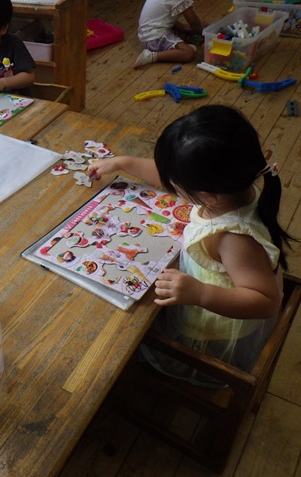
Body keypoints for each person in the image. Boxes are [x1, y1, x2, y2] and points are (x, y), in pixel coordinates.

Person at [88, 105, 293, 387]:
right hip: (210, 288)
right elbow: (174, 175)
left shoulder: (234, 239)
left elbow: (266, 302)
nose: (170, 185)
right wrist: (123, 162)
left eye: (176, 184)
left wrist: (201, 293)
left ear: (207, 196)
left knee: (131, 331)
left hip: (212, 331)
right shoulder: (236, 183)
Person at [133, 0, 205, 69]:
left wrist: (186, 29)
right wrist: (203, 31)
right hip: (155, 38)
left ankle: (178, 48)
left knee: (184, 31)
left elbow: (166, 18)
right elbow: (194, 22)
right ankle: (151, 56)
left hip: (147, 33)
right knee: (189, 53)